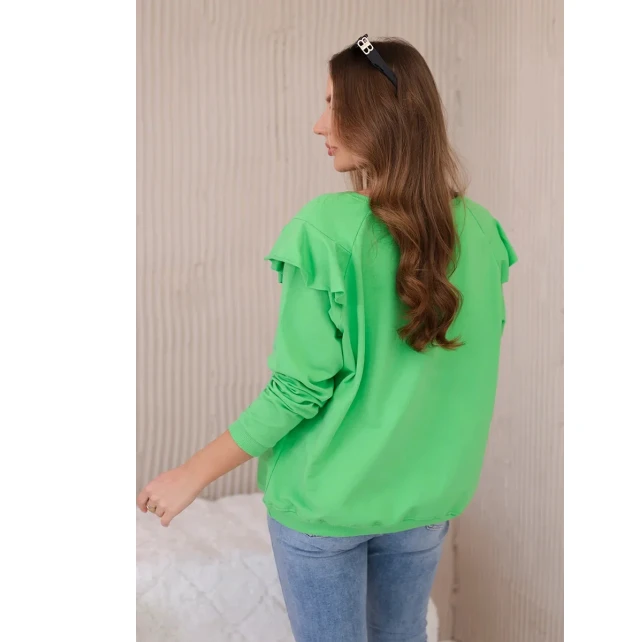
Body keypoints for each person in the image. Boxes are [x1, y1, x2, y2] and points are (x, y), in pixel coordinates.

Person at [137, 35, 517, 642]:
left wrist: (191, 473)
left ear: (378, 116)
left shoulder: (326, 229)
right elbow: (468, 366)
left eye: (335, 105)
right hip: (426, 502)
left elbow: (296, 390)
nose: (320, 125)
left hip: (325, 505)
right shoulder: (484, 230)